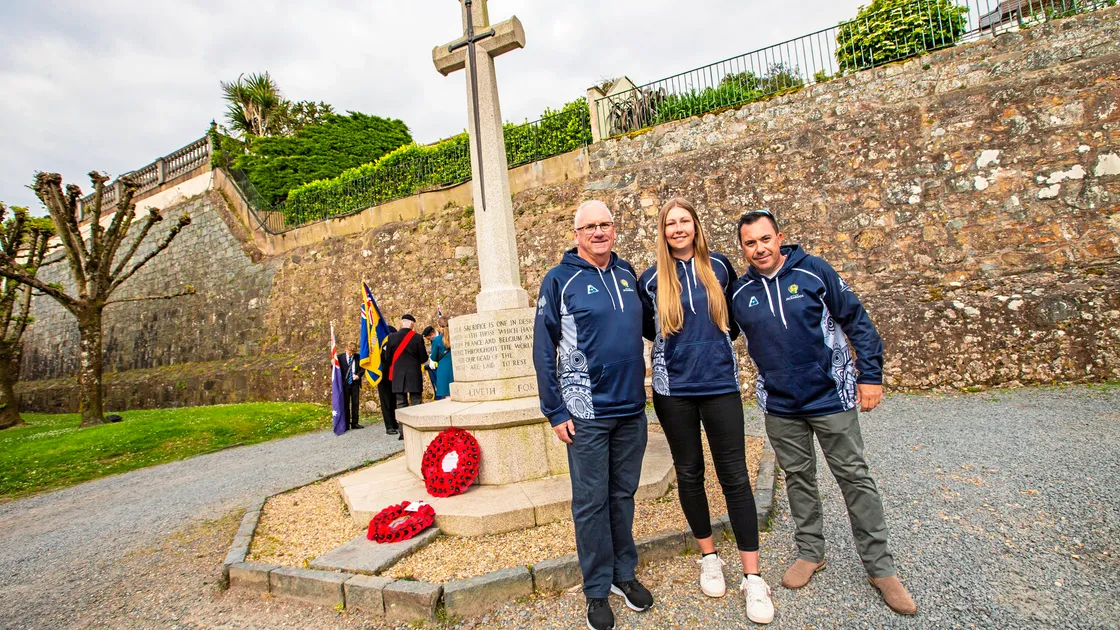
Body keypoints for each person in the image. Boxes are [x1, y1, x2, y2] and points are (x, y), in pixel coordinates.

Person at [728, 209, 917, 616]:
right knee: (798, 477)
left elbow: (856, 320)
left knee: (854, 477)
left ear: (779, 237)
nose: (759, 248)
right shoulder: (740, 294)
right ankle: (811, 552)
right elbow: (716, 331)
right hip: (780, 405)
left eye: (765, 239)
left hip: (830, 397)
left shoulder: (813, 272)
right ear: (742, 248)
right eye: (750, 243)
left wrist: (871, 375)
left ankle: (880, 568)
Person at [637, 197, 774, 624]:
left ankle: (753, 578)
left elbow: (731, 323)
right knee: (690, 472)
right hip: (673, 392)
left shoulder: (720, 266)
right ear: (662, 232)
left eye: (684, 221)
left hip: (719, 386)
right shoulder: (649, 281)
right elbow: (649, 329)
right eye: (670, 223)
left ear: (696, 225)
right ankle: (708, 556)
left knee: (733, 474)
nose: (678, 228)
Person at [533, 200, 652, 630]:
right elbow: (544, 350)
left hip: (631, 410)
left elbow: (653, 326)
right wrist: (555, 409)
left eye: (605, 224)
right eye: (590, 227)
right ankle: (597, 589)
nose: (599, 232)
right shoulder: (559, 280)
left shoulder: (627, 275)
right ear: (576, 233)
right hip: (586, 413)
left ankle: (624, 574)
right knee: (590, 502)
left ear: (614, 229)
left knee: (622, 495)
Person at [385, 314, 428, 409]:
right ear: (412, 324)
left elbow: (387, 357)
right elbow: (423, 358)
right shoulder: (417, 338)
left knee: (401, 403)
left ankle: (402, 424)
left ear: (402, 323)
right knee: (416, 402)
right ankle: (416, 423)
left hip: (398, 375)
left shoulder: (391, 337)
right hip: (414, 374)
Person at [378, 325, 400, 438]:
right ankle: (389, 426)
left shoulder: (392, 344)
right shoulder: (379, 345)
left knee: (393, 400)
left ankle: (394, 422)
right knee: (386, 402)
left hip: (393, 375)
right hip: (382, 376)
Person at [335, 343, 364, 430]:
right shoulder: (340, 357)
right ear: (346, 349)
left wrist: (358, 375)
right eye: (350, 352)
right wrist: (333, 363)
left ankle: (355, 422)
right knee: (345, 404)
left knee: (355, 403)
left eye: (353, 353)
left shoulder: (358, 357)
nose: (351, 354)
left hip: (355, 383)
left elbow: (363, 368)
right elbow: (335, 370)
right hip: (345, 384)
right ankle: (346, 423)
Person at [430, 316, 454, 401]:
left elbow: (433, 357)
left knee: (447, 396)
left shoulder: (437, 340)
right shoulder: (455, 336)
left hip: (444, 368)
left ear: (440, 326)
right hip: (456, 367)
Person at [421, 325, 438, 398]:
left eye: (429, 338)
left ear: (432, 334)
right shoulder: (433, 340)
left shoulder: (442, 337)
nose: (429, 340)